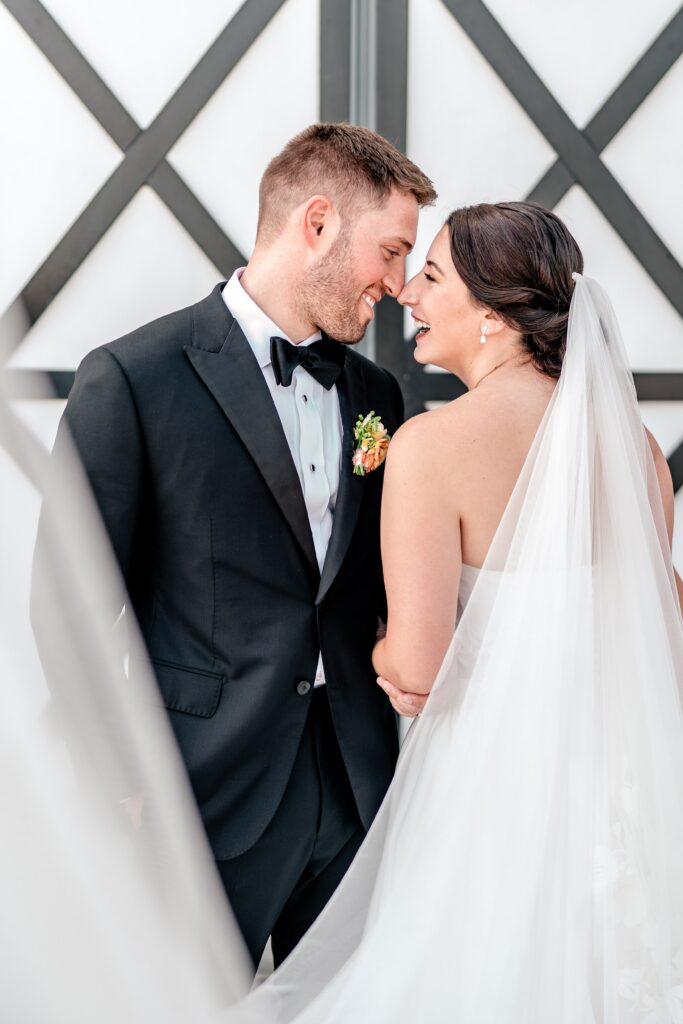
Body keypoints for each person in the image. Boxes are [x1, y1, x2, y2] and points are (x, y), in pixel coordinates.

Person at [227, 203, 683, 1022]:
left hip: (493, 789)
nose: (405, 292)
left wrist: (376, 655)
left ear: (492, 317)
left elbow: (419, 669)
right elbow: (661, 622)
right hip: (622, 789)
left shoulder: (432, 447)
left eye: (431, 277)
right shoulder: (638, 450)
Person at [34, 122, 436, 970]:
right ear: (317, 223)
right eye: (391, 252)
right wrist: (123, 786)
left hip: (355, 790)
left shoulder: (377, 394)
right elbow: (66, 607)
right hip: (198, 799)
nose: (398, 285)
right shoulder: (134, 378)